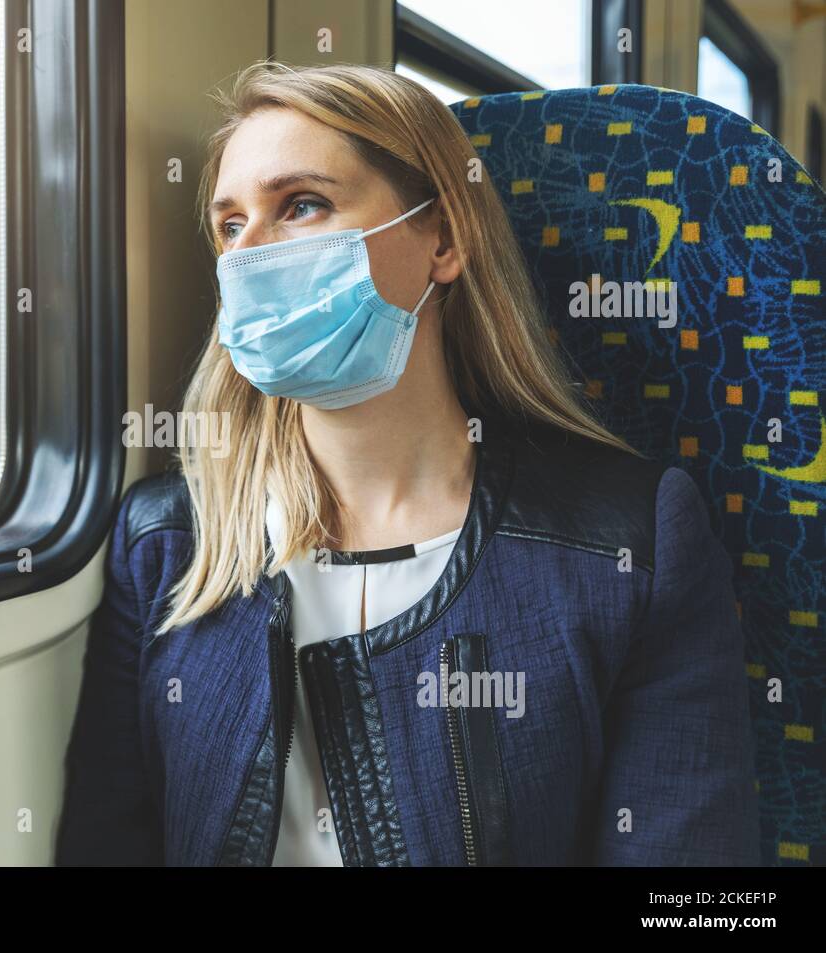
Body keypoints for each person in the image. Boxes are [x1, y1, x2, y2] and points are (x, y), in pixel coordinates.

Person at [55, 62, 761, 866]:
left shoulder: (631, 543)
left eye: (302, 206)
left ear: (444, 240)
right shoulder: (167, 543)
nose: (248, 256)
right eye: (229, 225)